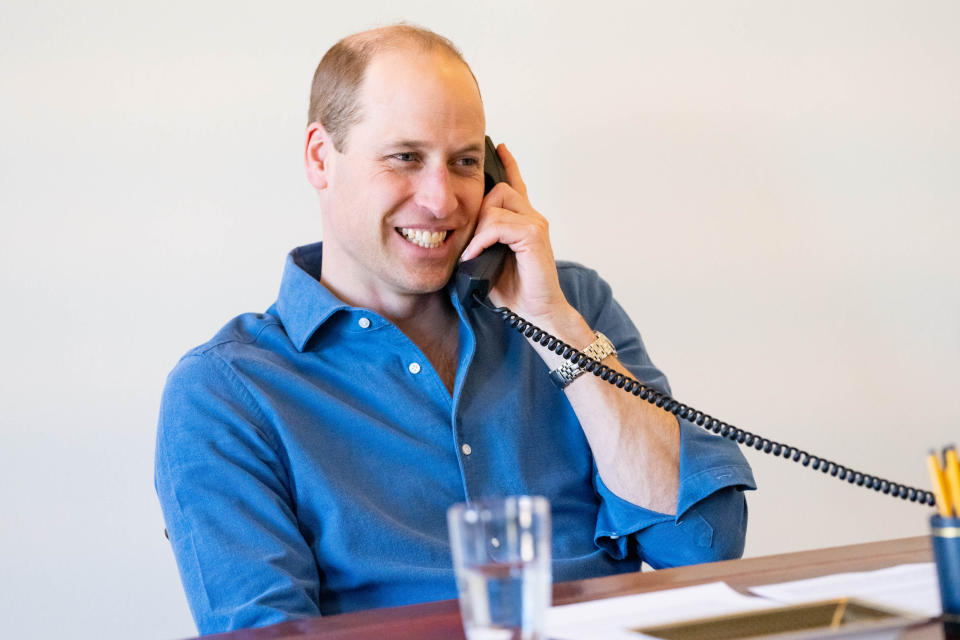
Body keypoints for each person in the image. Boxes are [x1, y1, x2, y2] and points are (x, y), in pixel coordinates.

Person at [155, 24, 755, 635]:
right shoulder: (227, 393)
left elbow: (703, 546)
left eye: (465, 162)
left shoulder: (570, 307)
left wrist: (556, 328)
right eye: (405, 158)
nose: (442, 201)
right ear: (320, 157)